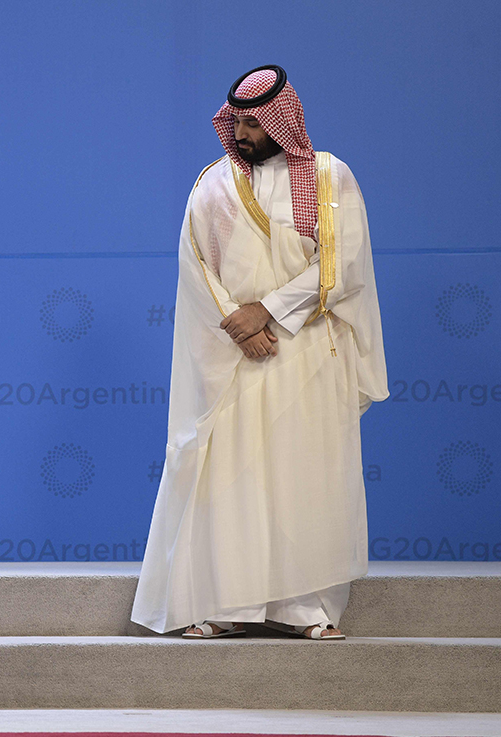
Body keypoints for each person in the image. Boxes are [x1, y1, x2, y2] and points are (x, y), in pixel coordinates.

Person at [131, 66, 387, 640]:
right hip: (238, 357)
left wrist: (267, 310)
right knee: (234, 477)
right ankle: (225, 604)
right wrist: (240, 326)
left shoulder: (329, 177)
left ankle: (306, 609)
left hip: (307, 351)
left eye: (254, 121)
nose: (243, 133)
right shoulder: (213, 182)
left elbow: (341, 266)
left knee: (305, 477)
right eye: (237, 122)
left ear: (282, 118)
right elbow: (198, 266)